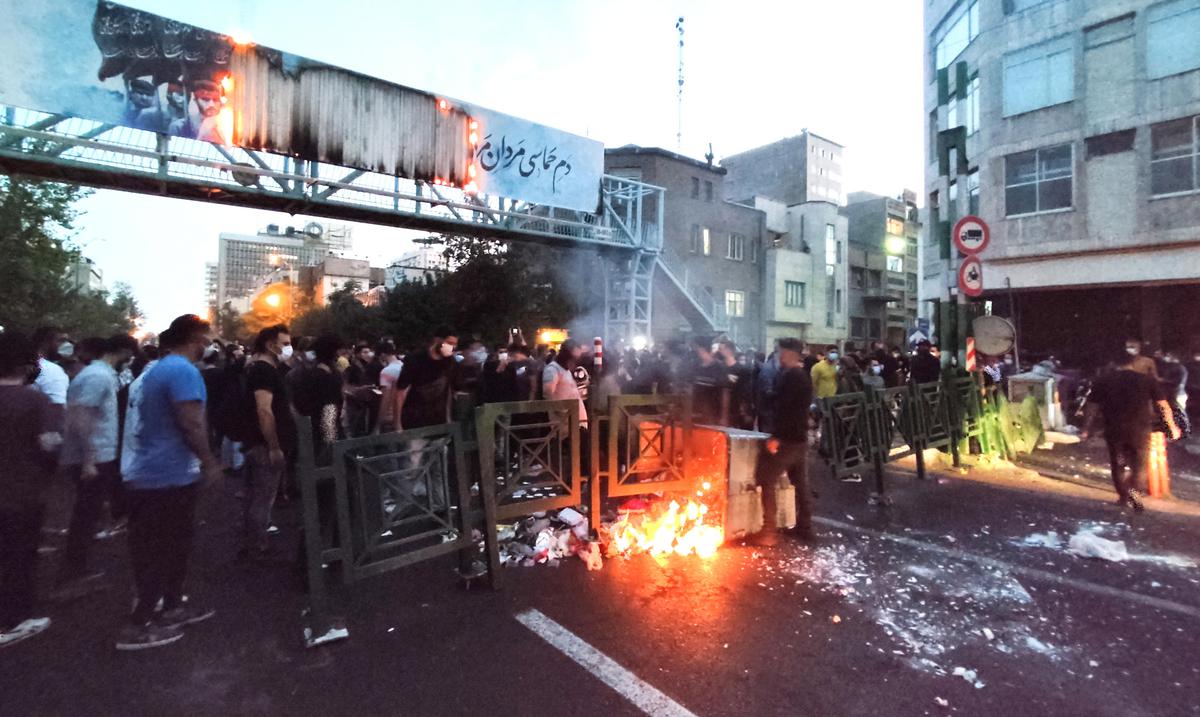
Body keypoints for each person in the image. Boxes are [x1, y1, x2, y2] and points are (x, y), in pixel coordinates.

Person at [120, 315, 222, 651]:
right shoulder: (182, 371)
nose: (210, 343)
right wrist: (209, 463)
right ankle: (139, 624)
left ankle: (172, 606)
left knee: (173, 546)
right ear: (195, 338)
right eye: (207, 337)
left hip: (160, 473)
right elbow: (191, 423)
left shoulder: (160, 369)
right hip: (164, 476)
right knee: (157, 550)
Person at [53, 334, 137, 599]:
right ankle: (73, 575)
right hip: (93, 457)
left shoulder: (98, 375)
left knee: (87, 514)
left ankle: (77, 571)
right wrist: (89, 459)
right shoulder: (98, 377)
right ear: (122, 351)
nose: (129, 361)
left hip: (96, 455)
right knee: (84, 516)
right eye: (129, 355)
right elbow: (81, 416)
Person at [0, 332, 62, 648]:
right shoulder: (35, 401)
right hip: (22, 493)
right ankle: (14, 620)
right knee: (19, 558)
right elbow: (50, 446)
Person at [1081, 350, 1181, 512]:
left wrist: (1086, 428)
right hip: (1140, 430)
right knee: (1139, 465)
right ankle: (1135, 496)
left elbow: (1092, 406)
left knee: (1119, 463)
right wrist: (1171, 426)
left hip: (1114, 429)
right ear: (1134, 363)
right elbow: (1163, 405)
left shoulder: (1104, 380)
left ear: (1113, 363)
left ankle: (1123, 497)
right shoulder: (1146, 380)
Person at [238, 324, 295, 563]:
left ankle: (253, 543)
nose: (288, 348)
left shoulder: (265, 368)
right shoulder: (263, 371)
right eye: (284, 344)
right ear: (270, 345)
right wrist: (273, 446)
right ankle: (257, 547)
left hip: (258, 443)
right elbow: (264, 411)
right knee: (262, 498)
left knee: (256, 496)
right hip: (264, 446)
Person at [750, 338, 815, 546]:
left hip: (787, 439)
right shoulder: (803, 376)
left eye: (781, 353)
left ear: (788, 354)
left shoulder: (791, 377)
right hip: (800, 438)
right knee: (800, 483)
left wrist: (776, 436)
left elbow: (786, 410)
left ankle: (768, 531)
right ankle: (805, 527)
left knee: (765, 478)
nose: (779, 356)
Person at [394, 329, 459, 431]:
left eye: (455, 344)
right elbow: (401, 391)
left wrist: (448, 419)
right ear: (437, 340)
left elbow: (449, 391)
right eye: (449, 343)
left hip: (439, 422)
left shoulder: (450, 362)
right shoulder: (415, 359)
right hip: (415, 421)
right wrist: (397, 424)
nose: (453, 347)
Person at [31, 327, 70, 432]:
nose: (67, 346)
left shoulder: (22, 366)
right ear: (45, 342)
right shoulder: (52, 370)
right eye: (61, 340)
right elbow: (57, 409)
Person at [543, 339, 588, 428]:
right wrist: (563, 413)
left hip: (576, 424)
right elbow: (548, 394)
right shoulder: (552, 370)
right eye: (574, 357)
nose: (575, 361)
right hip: (565, 427)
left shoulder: (565, 370)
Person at [689, 336, 730, 425]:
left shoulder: (719, 367)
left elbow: (725, 393)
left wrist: (724, 417)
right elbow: (691, 389)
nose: (694, 350)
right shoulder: (695, 366)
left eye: (696, 347)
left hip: (713, 414)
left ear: (702, 348)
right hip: (696, 413)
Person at [374, 342, 403, 433]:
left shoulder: (387, 371)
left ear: (382, 355)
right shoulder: (404, 367)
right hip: (404, 413)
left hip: (390, 416)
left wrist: (378, 425)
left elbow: (385, 399)